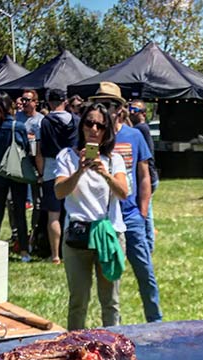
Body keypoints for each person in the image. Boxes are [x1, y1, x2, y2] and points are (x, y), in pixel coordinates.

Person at [89, 82, 162, 323]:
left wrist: (142, 211)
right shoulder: (93, 134)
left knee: (145, 272)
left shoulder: (134, 136)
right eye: (100, 104)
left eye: (109, 105)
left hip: (130, 216)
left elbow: (144, 176)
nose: (104, 110)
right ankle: (114, 328)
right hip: (103, 218)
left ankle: (155, 320)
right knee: (110, 279)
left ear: (120, 108)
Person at [54, 101, 128, 330]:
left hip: (109, 234)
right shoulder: (66, 156)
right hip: (78, 236)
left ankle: (112, 348)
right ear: (81, 126)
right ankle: (74, 348)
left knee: (111, 302)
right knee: (78, 300)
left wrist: (104, 173)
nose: (94, 129)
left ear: (107, 132)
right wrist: (80, 170)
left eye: (101, 126)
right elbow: (59, 191)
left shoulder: (114, 159)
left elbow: (123, 193)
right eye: (89, 123)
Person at [0, 92, 31, 261]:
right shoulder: (18, 126)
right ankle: (24, 250)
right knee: (19, 211)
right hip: (16, 172)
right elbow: (25, 147)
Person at [40, 88, 78, 264]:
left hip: (51, 169)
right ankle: (70, 251)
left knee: (53, 215)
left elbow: (41, 149)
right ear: (65, 101)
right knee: (72, 212)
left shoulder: (45, 122)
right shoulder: (76, 121)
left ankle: (55, 255)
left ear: (49, 102)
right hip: (72, 168)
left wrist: (40, 173)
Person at [128, 100, 158, 252]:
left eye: (135, 109)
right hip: (151, 175)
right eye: (130, 109)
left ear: (143, 114)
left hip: (148, 177)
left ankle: (148, 245)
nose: (131, 112)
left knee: (145, 210)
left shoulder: (140, 129)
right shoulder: (140, 128)